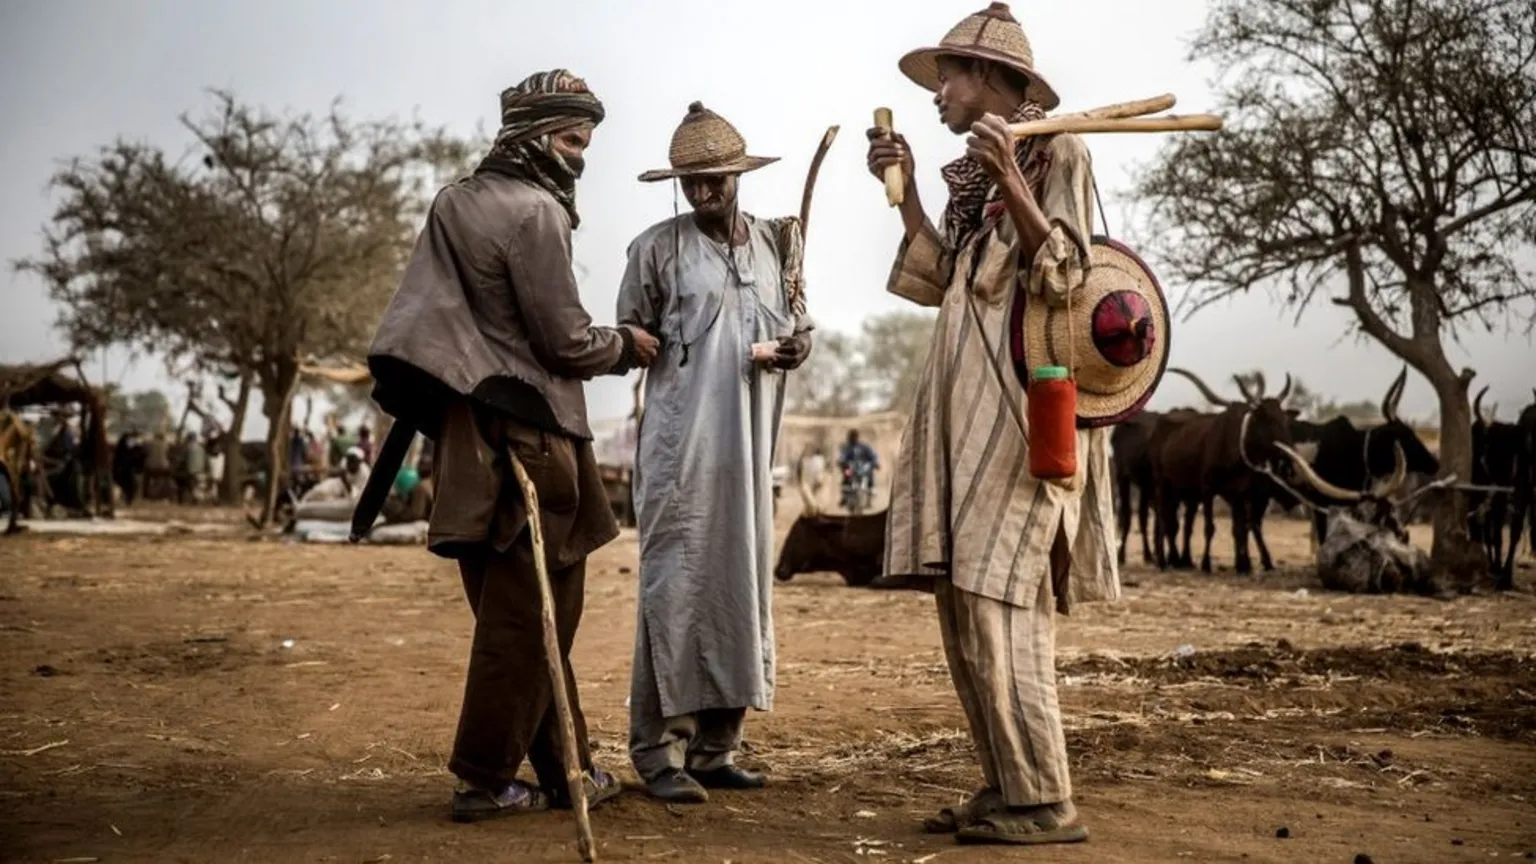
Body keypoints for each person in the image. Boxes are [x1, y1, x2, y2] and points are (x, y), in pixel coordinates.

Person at [867, 2, 1167, 846]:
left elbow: (1069, 274)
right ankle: (1005, 785)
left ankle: (1044, 801)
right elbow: (939, 280)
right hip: (968, 424)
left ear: (1000, 84)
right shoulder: (978, 177)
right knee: (966, 603)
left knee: (1005, 603)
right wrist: (907, 194)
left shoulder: (1054, 151)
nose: (939, 93)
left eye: (952, 75)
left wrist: (1010, 179)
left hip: (1026, 423)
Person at [366, 68, 658, 823]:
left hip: (467, 439)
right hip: (531, 441)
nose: (580, 156)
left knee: (528, 614)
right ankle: (485, 777)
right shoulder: (536, 213)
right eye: (570, 139)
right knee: (531, 618)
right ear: (532, 137)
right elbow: (563, 341)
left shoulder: (453, 202)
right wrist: (625, 343)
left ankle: (570, 772)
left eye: (587, 141)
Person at [618, 102, 814, 804]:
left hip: (750, 452)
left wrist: (797, 347)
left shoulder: (774, 244)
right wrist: (632, 342)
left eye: (713, 181)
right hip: (681, 452)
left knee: (741, 586)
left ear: (737, 175)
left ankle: (716, 748)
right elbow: (628, 338)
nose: (702, 194)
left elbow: (800, 327)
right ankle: (657, 751)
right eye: (690, 183)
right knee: (674, 590)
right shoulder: (654, 249)